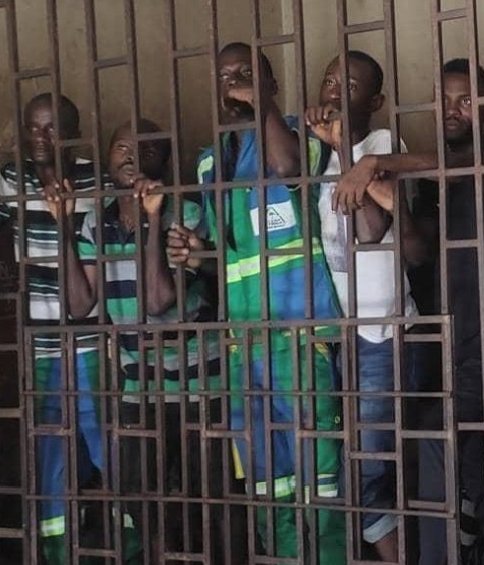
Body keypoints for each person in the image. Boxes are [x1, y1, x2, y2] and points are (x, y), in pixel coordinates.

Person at [335, 59, 484, 565]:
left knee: (453, 441)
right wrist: (390, 199)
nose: (453, 109)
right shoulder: (427, 184)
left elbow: (458, 165)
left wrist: (375, 164)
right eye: (445, 99)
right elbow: (416, 253)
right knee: (472, 463)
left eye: (467, 101)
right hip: (442, 341)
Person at [166, 42, 346, 564]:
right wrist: (196, 253)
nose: (234, 83)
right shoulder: (210, 160)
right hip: (244, 346)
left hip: (300, 337)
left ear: (271, 83)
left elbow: (288, 169)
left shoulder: (298, 135)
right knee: (269, 483)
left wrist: (260, 104)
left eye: (246, 73)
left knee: (320, 476)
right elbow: (230, 255)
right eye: (225, 77)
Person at [45, 119, 225, 562]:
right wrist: (64, 227)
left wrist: (153, 218)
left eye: (146, 150)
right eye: (122, 148)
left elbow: (158, 301)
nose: (132, 158)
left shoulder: (186, 213)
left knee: (208, 497)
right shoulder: (97, 220)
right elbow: (79, 304)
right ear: (108, 157)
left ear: (164, 160)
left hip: (200, 383)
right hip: (139, 384)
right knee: (139, 495)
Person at [0, 93, 104, 565]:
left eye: (52, 128)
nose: (40, 137)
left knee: (111, 448)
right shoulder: (12, 180)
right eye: (33, 128)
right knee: (49, 460)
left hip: (93, 342)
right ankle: (57, 554)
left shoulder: (94, 180)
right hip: (40, 344)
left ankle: (128, 544)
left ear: (73, 134)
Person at [303, 49, 425, 561]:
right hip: (334, 333)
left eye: (349, 86)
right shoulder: (312, 154)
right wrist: (327, 149)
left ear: (374, 101)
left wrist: (345, 153)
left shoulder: (382, 145)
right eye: (330, 81)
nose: (334, 92)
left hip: (382, 333)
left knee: (367, 469)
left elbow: (371, 231)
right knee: (338, 463)